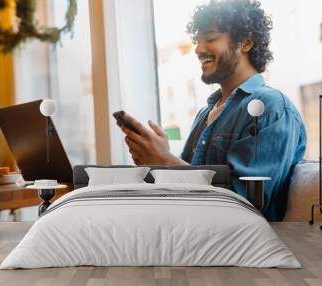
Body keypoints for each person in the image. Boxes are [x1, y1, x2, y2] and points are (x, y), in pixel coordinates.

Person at [116, 0, 306, 221]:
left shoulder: (270, 108)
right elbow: (184, 192)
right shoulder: (205, 113)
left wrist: (165, 161)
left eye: (210, 38)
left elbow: (247, 205)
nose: (198, 49)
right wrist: (155, 158)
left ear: (245, 43)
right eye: (197, 41)